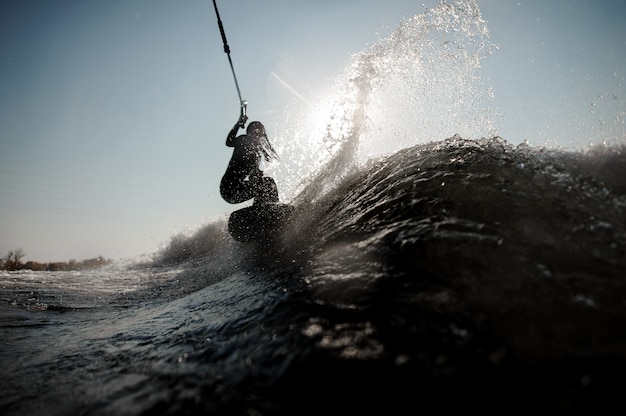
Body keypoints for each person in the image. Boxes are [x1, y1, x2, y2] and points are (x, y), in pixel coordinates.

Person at [220, 113, 280, 206]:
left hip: (238, 188)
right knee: (267, 183)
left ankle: (264, 210)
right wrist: (238, 124)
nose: (257, 134)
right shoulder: (244, 140)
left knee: (267, 183)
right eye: (255, 131)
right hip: (229, 189)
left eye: (259, 132)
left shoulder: (257, 155)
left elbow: (253, 178)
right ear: (249, 132)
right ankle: (264, 210)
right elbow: (229, 142)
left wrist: (257, 174)